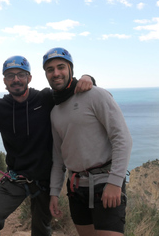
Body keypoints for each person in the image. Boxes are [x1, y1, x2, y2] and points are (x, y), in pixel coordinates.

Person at [0, 55, 94, 236]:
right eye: (10, 75)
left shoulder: (46, 98)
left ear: (29, 78)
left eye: (21, 74)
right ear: (4, 82)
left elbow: (70, 89)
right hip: (16, 178)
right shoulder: (0, 108)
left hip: (45, 180)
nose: (16, 79)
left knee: (41, 229)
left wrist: (88, 78)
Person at [43, 48, 132, 236]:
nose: (56, 73)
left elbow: (122, 138)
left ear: (70, 70)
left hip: (105, 183)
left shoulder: (95, 95)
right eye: (50, 69)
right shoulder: (55, 111)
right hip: (76, 188)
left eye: (61, 67)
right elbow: (58, 158)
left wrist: (115, 182)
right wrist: (54, 192)